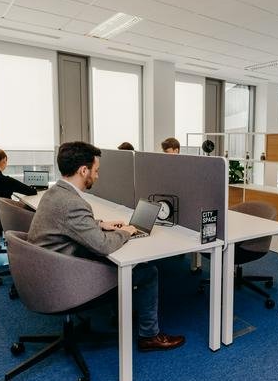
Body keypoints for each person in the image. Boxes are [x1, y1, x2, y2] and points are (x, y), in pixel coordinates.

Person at [27, 141, 185, 352]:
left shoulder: (54, 193)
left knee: (112, 261)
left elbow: (67, 224)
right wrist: (126, 231)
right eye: (96, 170)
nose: (98, 176)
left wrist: (100, 224)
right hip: (62, 281)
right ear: (84, 171)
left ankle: (118, 314)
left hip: (43, 270)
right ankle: (149, 336)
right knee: (147, 271)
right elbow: (102, 246)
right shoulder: (73, 203)